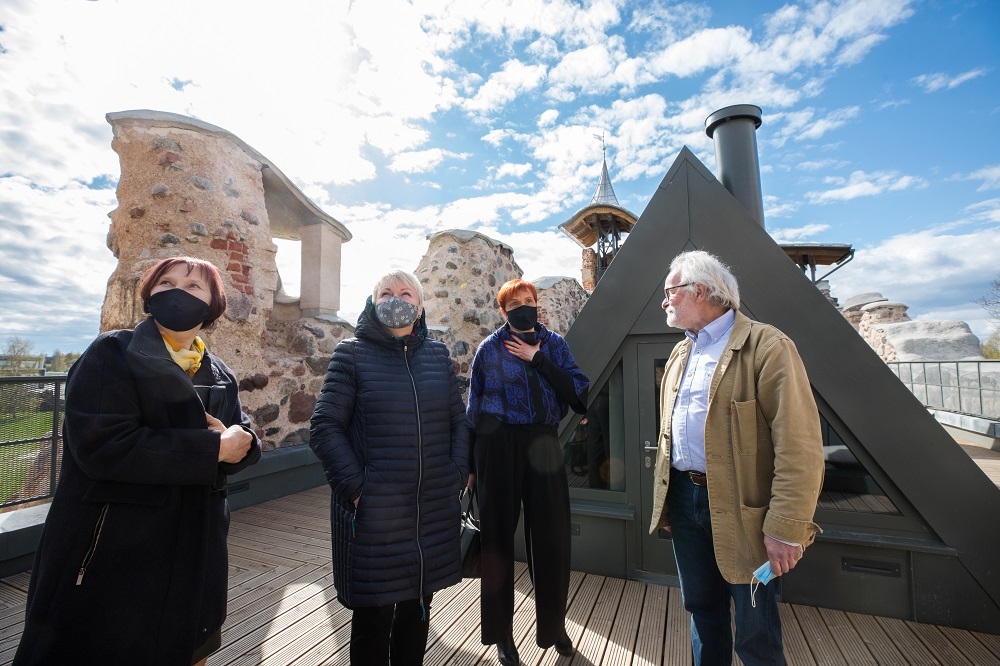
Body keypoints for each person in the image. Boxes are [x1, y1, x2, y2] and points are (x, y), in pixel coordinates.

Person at [13, 256, 260, 666]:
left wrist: (244, 444)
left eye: (195, 286)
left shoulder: (219, 374)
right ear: (149, 295)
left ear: (214, 304)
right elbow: (103, 446)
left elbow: (241, 439)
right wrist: (213, 448)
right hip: (113, 548)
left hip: (196, 547)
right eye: (167, 282)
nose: (179, 291)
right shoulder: (112, 353)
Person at [649, 250, 825, 666]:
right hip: (685, 501)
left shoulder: (768, 346)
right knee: (702, 611)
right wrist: (669, 500)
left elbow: (799, 446)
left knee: (755, 629)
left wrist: (785, 529)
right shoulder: (679, 355)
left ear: (702, 291)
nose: (664, 300)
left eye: (670, 290)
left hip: (745, 511)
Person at [309, 270, 469, 666]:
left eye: (405, 293)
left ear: (419, 305)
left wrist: (455, 473)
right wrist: (358, 489)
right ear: (372, 302)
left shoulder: (437, 356)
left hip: (430, 510)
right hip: (376, 515)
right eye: (386, 292)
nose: (395, 299)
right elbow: (325, 427)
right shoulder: (351, 354)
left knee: (417, 611)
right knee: (374, 618)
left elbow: (458, 421)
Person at [466, 279, 589, 666]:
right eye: (514, 303)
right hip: (497, 446)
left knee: (551, 540)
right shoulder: (488, 350)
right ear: (503, 311)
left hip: (544, 444)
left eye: (529, 301)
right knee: (498, 542)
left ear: (537, 305)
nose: (523, 307)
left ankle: (554, 626)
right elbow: (474, 412)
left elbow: (579, 396)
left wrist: (538, 359)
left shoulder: (554, 344)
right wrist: (471, 466)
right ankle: (502, 633)